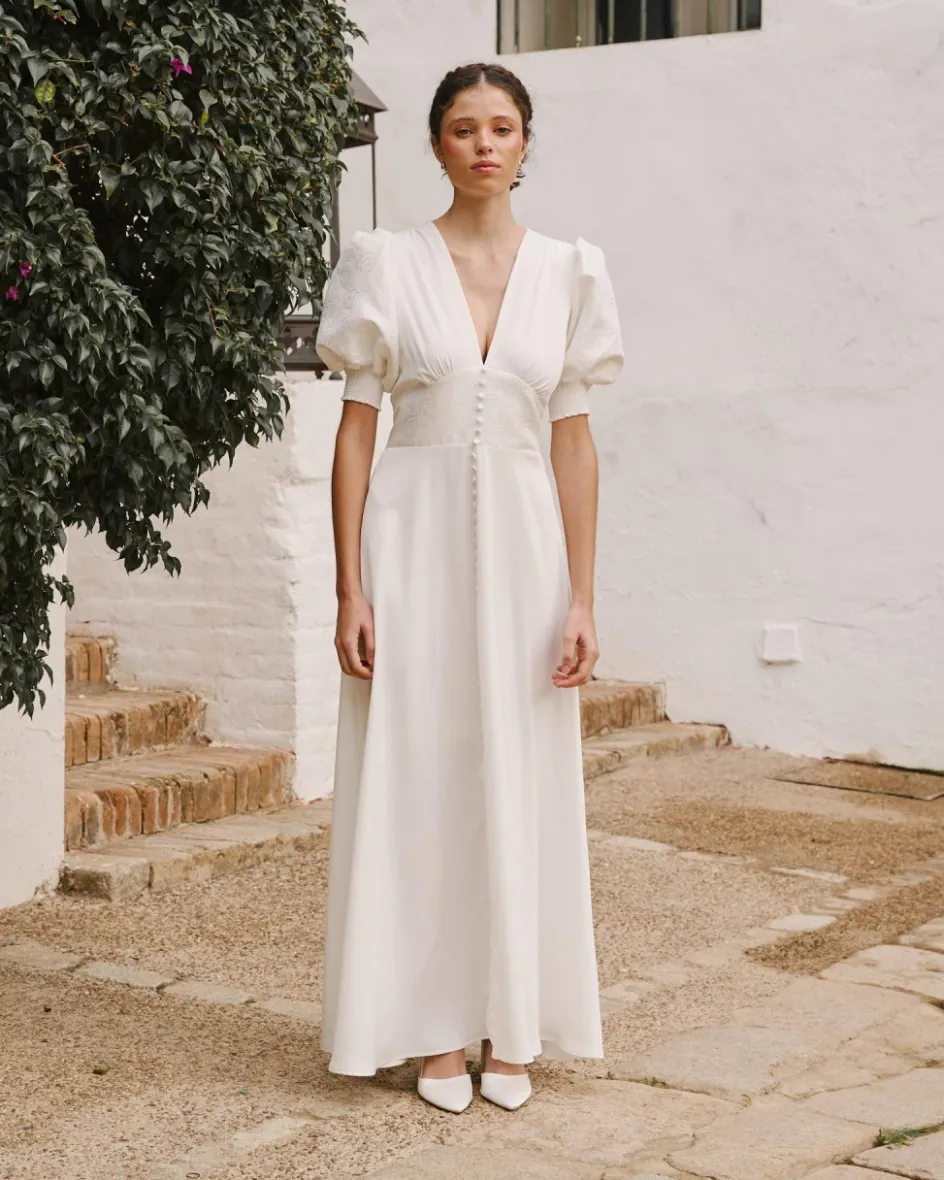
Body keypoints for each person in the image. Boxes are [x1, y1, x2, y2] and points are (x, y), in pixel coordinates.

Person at [315, 61, 623, 1114]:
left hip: (529, 555)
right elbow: (356, 435)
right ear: (437, 144)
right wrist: (350, 587)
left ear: (526, 142)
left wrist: (581, 598)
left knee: (519, 776)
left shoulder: (572, 272)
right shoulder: (385, 264)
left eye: (501, 127)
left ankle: (510, 1020)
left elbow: (573, 444)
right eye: (462, 127)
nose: (483, 144)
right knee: (419, 776)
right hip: (411, 546)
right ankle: (433, 1028)